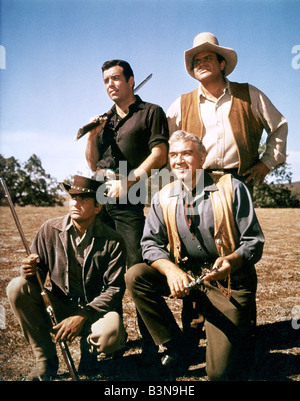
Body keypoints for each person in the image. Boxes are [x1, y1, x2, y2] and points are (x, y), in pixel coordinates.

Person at [125, 130, 265, 380]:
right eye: (174, 155)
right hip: (189, 278)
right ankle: (175, 345)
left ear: (202, 157)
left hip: (228, 281)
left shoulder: (231, 188)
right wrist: (172, 271)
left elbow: (253, 241)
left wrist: (231, 261)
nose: (179, 160)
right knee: (136, 275)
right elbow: (149, 244)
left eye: (187, 153)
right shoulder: (163, 196)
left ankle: (238, 334)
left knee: (219, 374)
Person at [85, 59, 169, 355]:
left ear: (131, 80)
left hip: (129, 200)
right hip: (99, 198)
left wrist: (131, 181)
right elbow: (93, 163)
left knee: (135, 268)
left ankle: (153, 343)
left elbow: (160, 153)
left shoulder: (151, 113)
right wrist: (94, 134)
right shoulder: (104, 119)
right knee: (99, 268)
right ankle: (109, 341)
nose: (110, 84)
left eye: (116, 78)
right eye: (106, 80)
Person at [7, 175, 127, 381]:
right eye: (73, 198)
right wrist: (28, 271)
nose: (75, 203)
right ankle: (45, 360)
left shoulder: (113, 240)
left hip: (96, 310)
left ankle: (90, 353)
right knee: (16, 288)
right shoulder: (48, 229)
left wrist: (83, 316)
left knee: (111, 335)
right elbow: (34, 280)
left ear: (98, 207)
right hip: (61, 305)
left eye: (84, 199)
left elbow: (114, 289)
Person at [167, 32, 288, 190]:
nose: (202, 64)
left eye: (208, 58)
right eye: (197, 61)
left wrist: (267, 163)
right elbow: (165, 143)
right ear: (194, 70)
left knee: (241, 216)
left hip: (240, 181)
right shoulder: (181, 103)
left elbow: (279, 126)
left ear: (222, 64)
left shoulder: (250, 94)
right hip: (196, 182)